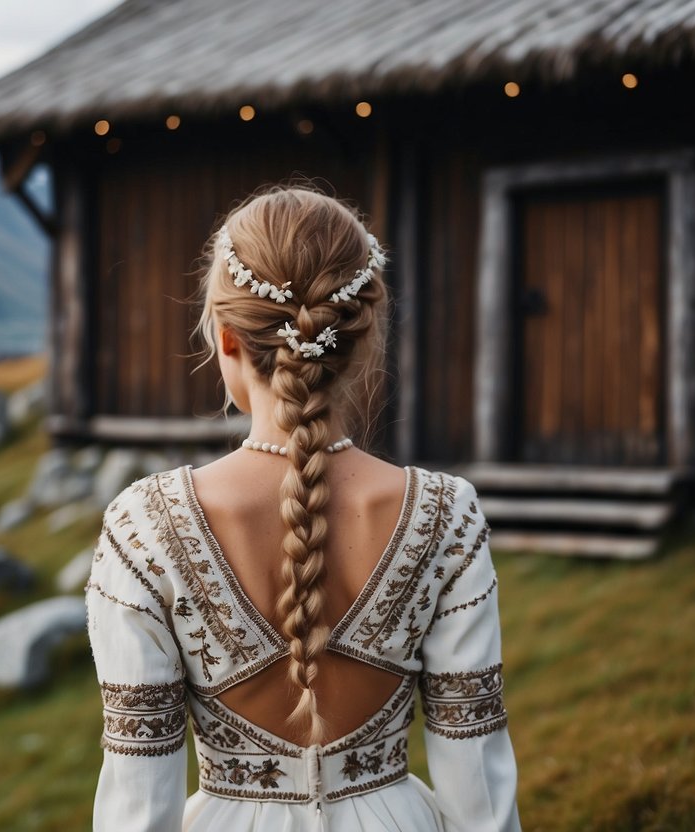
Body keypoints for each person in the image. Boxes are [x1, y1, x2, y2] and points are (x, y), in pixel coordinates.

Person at [85, 186, 521, 831]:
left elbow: (137, 798)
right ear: (365, 336)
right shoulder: (445, 515)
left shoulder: (145, 526)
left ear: (227, 340)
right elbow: (476, 774)